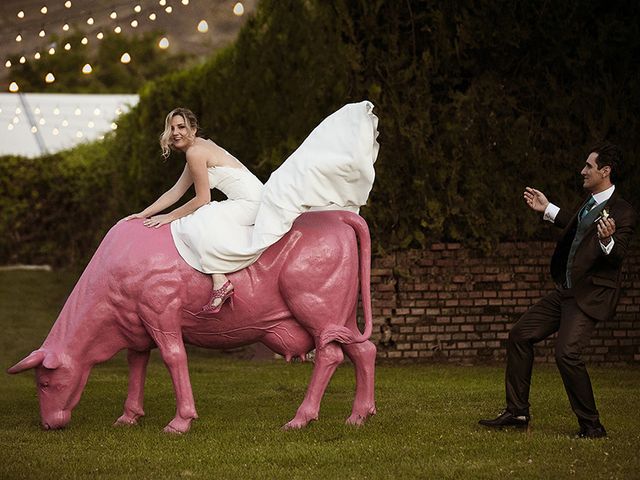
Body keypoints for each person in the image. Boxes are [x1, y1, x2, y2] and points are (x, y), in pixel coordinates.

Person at [126, 102, 379, 314]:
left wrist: (169, 218)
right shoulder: (199, 148)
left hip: (251, 204)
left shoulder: (195, 153)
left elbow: (201, 199)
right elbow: (176, 191)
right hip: (251, 200)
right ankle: (220, 278)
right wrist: (145, 213)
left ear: (193, 128)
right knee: (197, 218)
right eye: (171, 128)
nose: (175, 132)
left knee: (194, 221)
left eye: (181, 127)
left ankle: (219, 281)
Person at [479, 141, 637, 438]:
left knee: (566, 355)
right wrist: (547, 208)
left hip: (587, 295)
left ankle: (591, 426)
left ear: (605, 171)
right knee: (520, 335)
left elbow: (617, 255)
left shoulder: (622, 211)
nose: (583, 171)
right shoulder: (589, 202)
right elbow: (576, 227)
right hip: (564, 292)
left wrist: (607, 241)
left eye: (589, 166)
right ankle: (517, 412)